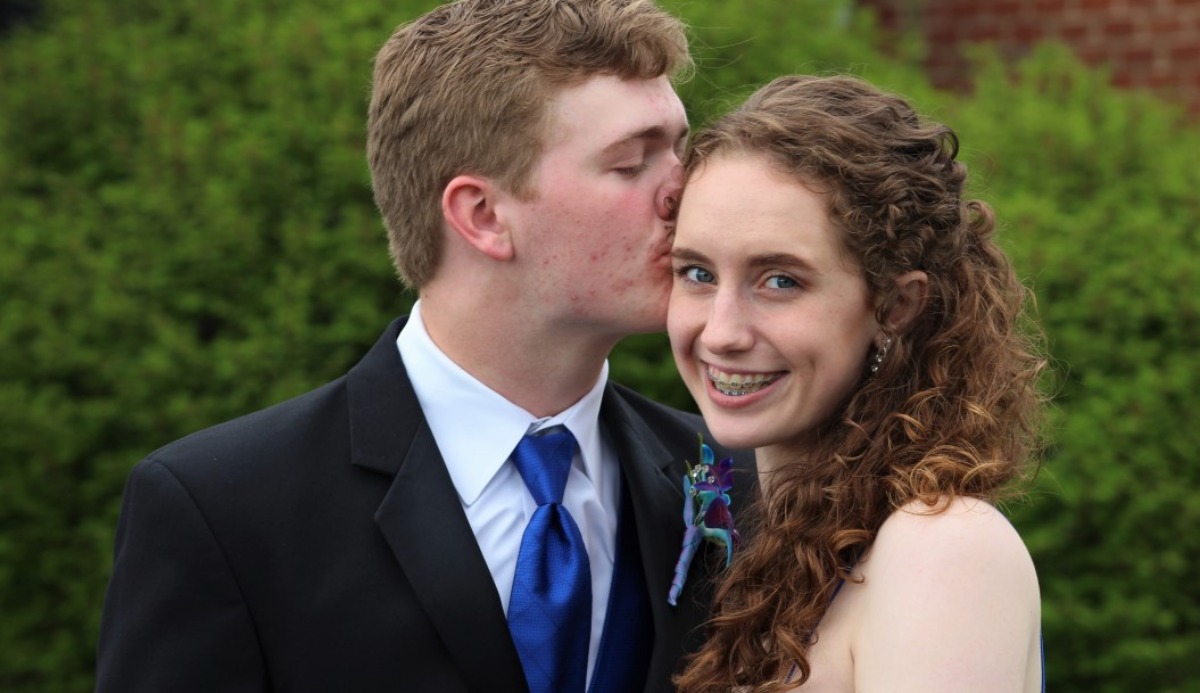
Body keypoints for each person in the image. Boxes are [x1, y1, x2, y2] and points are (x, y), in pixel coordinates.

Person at [95, 1, 751, 691]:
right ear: (483, 215)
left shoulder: (741, 481)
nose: (686, 190)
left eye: (680, 151)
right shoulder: (224, 511)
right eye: (633, 162)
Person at [666, 74, 1046, 692]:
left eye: (780, 280)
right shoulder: (766, 547)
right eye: (697, 272)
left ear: (895, 305)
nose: (721, 331)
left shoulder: (941, 550)